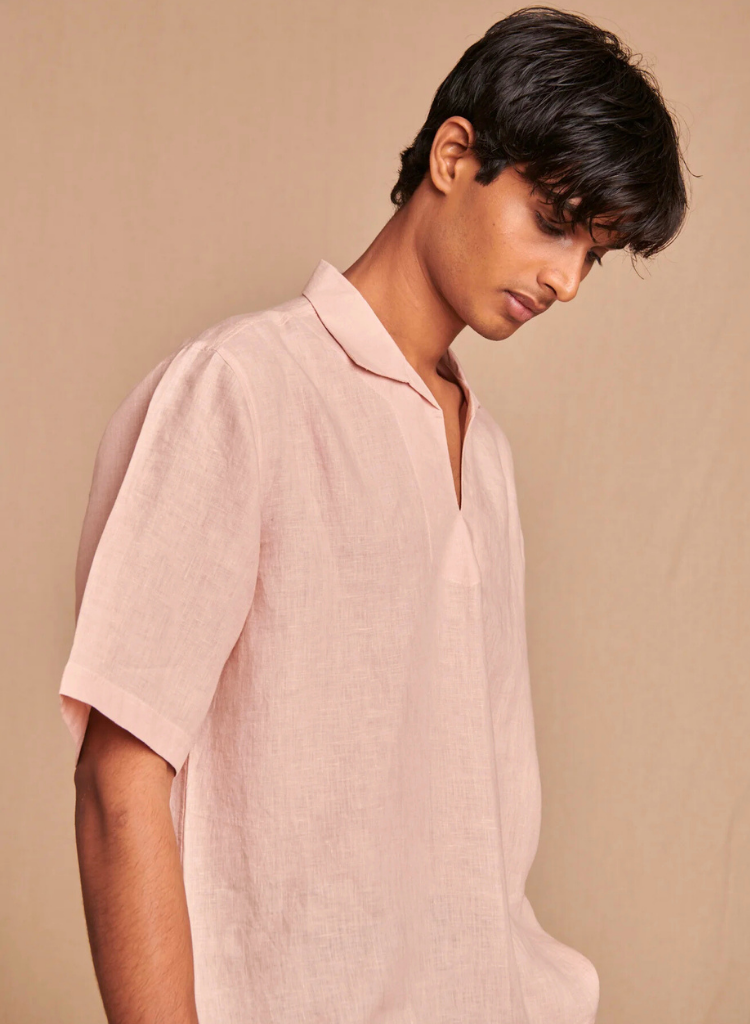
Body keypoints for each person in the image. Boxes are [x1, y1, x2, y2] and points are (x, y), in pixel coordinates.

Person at [58, 6, 689, 1023]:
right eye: (555, 220)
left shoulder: (486, 458)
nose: (567, 281)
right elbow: (118, 778)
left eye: (595, 253)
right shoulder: (244, 390)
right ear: (454, 156)